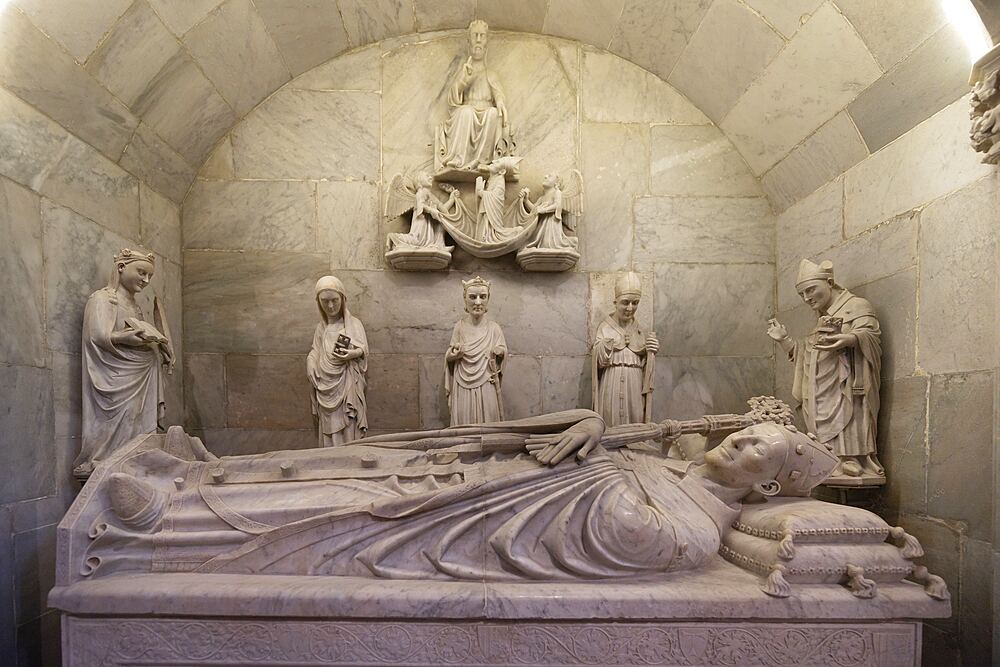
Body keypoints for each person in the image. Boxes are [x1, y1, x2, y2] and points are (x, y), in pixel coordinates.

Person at [83, 406, 838, 581]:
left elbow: (614, 533)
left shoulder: (696, 529)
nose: (736, 438)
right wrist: (590, 423)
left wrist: (602, 460)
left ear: (768, 484)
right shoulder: (669, 470)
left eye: (753, 448)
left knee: (345, 505)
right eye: (743, 429)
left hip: (473, 521)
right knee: (360, 463)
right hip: (483, 480)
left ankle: (165, 519)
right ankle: (201, 473)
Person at [767, 259, 883, 479]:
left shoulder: (857, 306)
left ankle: (850, 457)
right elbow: (808, 354)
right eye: (802, 295)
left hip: (846, 383)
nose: (807, 298)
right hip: (819, 389)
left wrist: (850, 339)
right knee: (822, 421)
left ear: (829, 282)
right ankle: (829, 458)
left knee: (848, 412)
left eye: (811, 290)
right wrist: (784, 340)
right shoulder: (822, 317)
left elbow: (871, 336)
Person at [75, 248, 173, 477]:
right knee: (124, 415)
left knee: (138, 419)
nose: (145, 280)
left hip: (142, 374)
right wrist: (124, 337)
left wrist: (160, 346)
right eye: (141, 272)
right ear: (121, 268)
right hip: (115, 376)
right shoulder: (103, 299)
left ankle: (135, 457)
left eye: (149, 276)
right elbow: (97, 336)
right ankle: (106, 457)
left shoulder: (136, 306)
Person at [435, 20, 513, 172]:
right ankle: (460, 159)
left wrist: (501, 103)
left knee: (493, 112)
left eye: (482, 36)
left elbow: (498, 93)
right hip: (467, 111)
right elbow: (453, 99)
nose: (478, 39)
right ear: (469, 41)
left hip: (486, 111)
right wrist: (464, 80)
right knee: (466, 112)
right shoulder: (464, 72)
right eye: (475, 35)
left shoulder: (491, 74)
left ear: (486, 43)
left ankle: (483, 161)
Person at [307, 275, 368, 446]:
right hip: (325, 386)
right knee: (329, 431)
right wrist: (310, 362)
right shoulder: (321, 328)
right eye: (325, 302)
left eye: (334, 300)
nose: (331, 306)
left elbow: (363, 349)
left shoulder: (353, 324)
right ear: (319, 303)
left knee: (349, 423)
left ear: (342, 299)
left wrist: (352, 354)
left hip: (347, 383)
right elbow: (315, 350)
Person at [593, 272, 658, 425]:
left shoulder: (640, 330)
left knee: (634, 416)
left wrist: (650, 352)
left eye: (635, 303)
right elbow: (598, 359)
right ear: (615, 302)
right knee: (611, 418)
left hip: (634, 383)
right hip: (611, 381)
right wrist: (608, 345)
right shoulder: (605, 327)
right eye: (625, 302)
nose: (630, 308)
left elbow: (646, 366)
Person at [445, 276, 507, 425]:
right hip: (462, 382)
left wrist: (499, 352)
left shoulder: (494, 328)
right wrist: (454, 354)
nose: (478, 302)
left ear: (488, 299)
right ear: (465, 299)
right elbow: (449, 354)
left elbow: (503, 351)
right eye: (473, 297)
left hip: (487, 381)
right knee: (463, 421)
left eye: (483, 297)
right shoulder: (459, 327)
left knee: (489, 419)